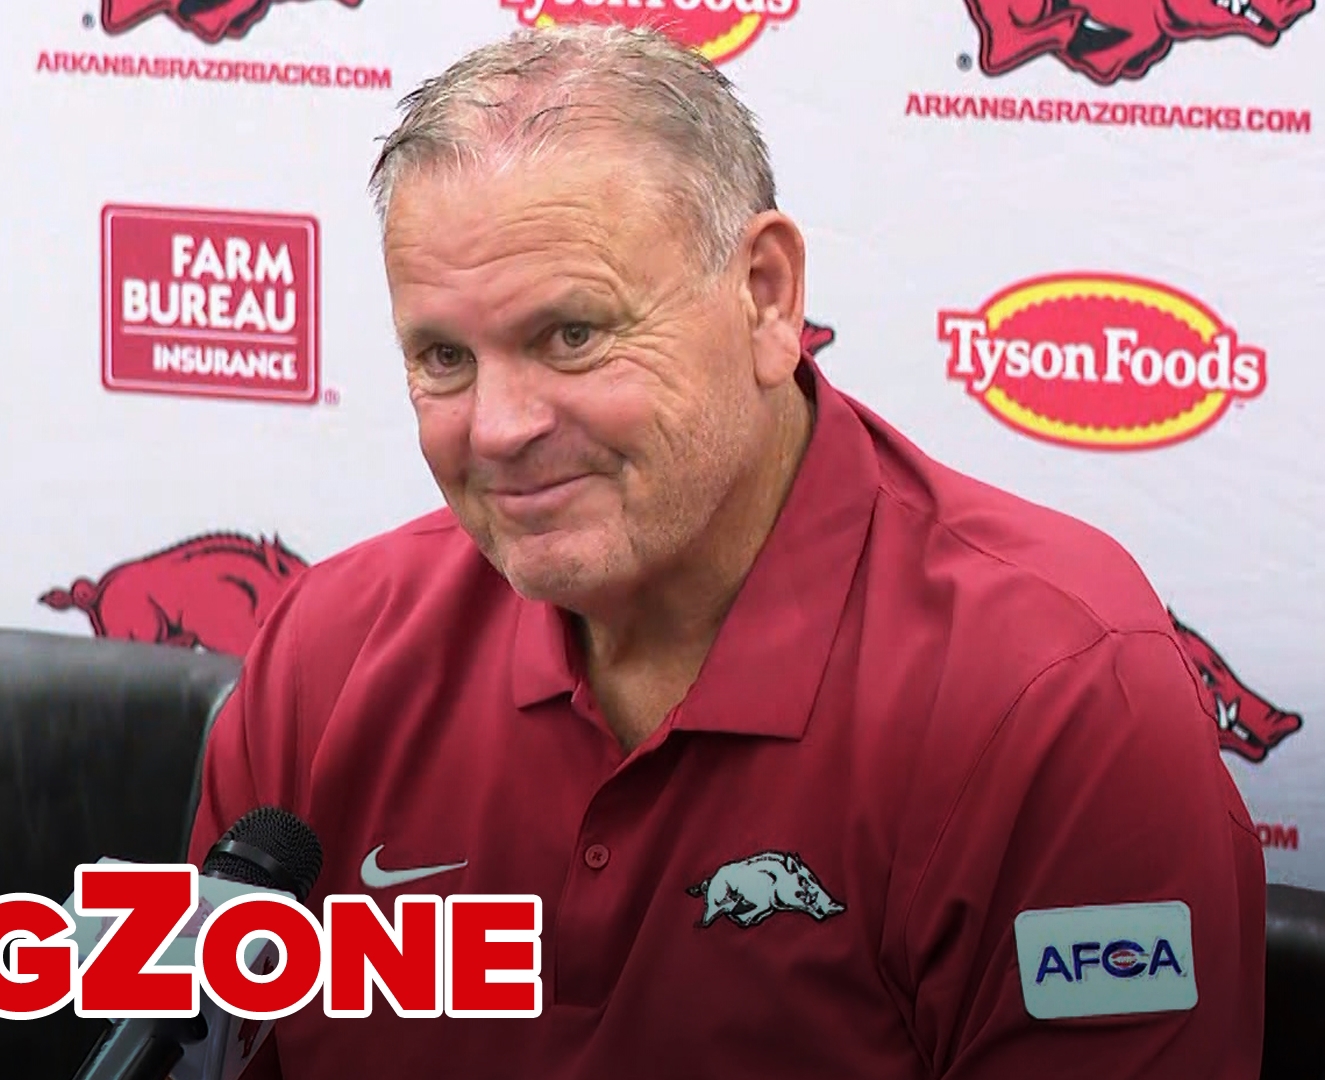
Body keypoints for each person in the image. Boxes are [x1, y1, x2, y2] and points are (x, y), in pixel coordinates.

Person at [188, 22, 1265, 1078]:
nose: (499, 427)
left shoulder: (1056, 694)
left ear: (766, 297)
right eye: (443, 357)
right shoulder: (323, 659)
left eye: (573, 335)